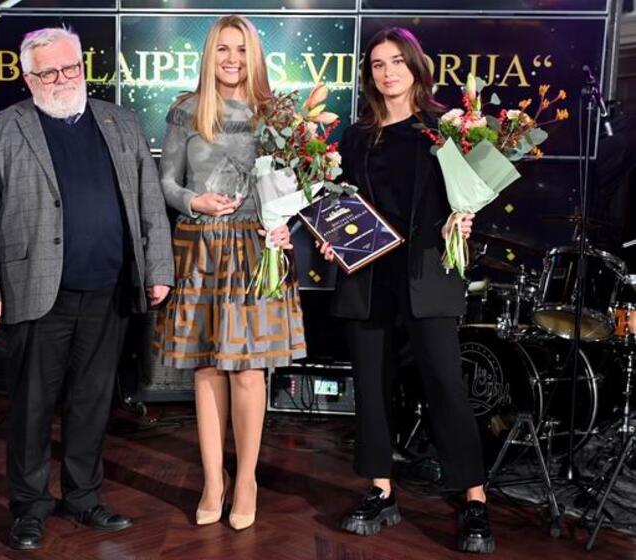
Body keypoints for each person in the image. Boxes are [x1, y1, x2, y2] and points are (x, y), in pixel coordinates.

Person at [0, 27, 174, 550]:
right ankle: (29, 507)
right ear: (29, 77)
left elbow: (149, 201)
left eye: (71, 68)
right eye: (50, 72)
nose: (63, 79)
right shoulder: (1, 129)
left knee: (92, 402)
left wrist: (158, 268)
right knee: (32, 407)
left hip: (109, 289)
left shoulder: (121, 122)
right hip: (36, 292)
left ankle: (83, 497)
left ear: (83, 67)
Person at [319, 27, 494, 554]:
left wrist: (465, 218)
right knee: (371, 384)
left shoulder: (447, 128)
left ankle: (475, 497)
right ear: (369, 75)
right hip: (368, 272)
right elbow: (339, 202)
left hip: (427, 271)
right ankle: (380, 488)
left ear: (415, 66)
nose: (388, 72)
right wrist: (331, 238)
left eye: (396, 61)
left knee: (445, 384)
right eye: (377, 64)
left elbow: (468, 194)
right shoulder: (357, 136)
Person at [154, 14, 305, 531]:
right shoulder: (186, 110)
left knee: (248, 372)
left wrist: (282, 226)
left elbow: (293, 185)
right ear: (209, 55)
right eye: (222, 49)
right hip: (199, 249)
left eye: (241, 49)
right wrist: (194, 201)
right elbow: (167, 182)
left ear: (254, 55)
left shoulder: (276, 113)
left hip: (255, 250)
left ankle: (245, 481)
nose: (232, 59)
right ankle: (213, 480)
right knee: (207, 369)